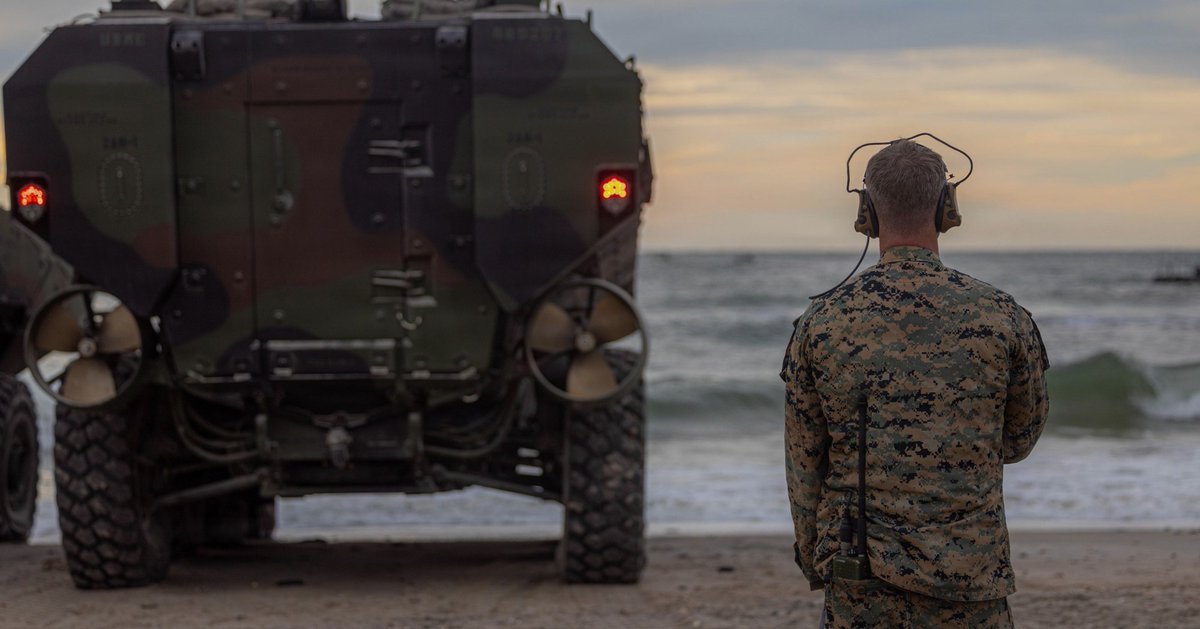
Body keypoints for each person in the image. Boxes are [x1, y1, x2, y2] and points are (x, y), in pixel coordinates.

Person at [781, 139, 1049, 628]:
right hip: (970, 575)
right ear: (948, 207)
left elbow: (805, 466)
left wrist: (817, 560)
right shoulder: (1002, 315)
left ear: (866, 212)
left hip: (861, 577)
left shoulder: (822, 322)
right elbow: (1018, 440)